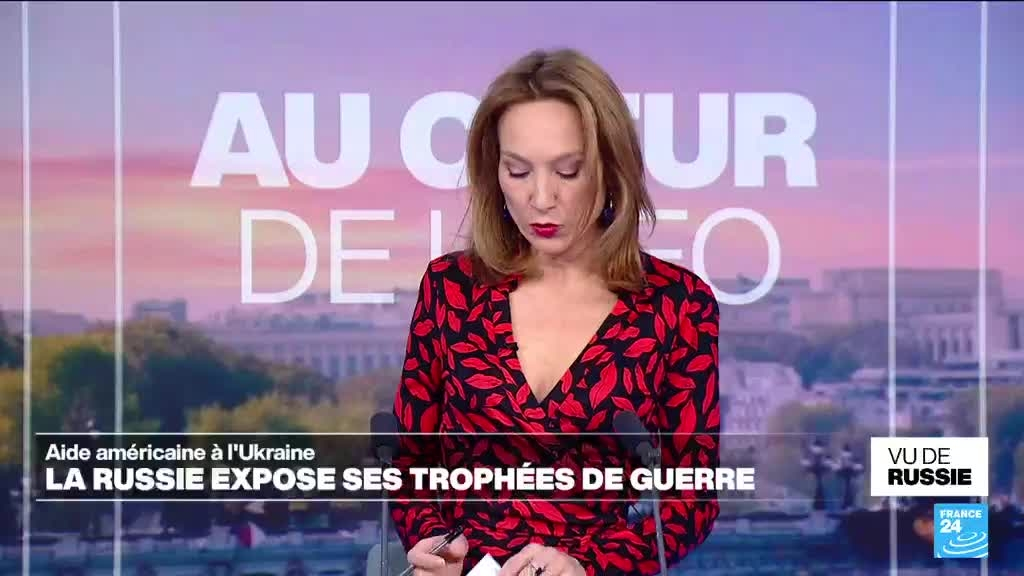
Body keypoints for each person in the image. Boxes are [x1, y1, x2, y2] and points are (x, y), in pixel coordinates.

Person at [391, 48, 720, 576]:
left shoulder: (679, 305)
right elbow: (409, 462)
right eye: (518, 171)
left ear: (612, 169)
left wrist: (586, 565)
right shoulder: (449, 288)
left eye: (568, 171)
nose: (541, 198)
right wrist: (434, 541)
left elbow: (692, 498)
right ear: (493, 173)